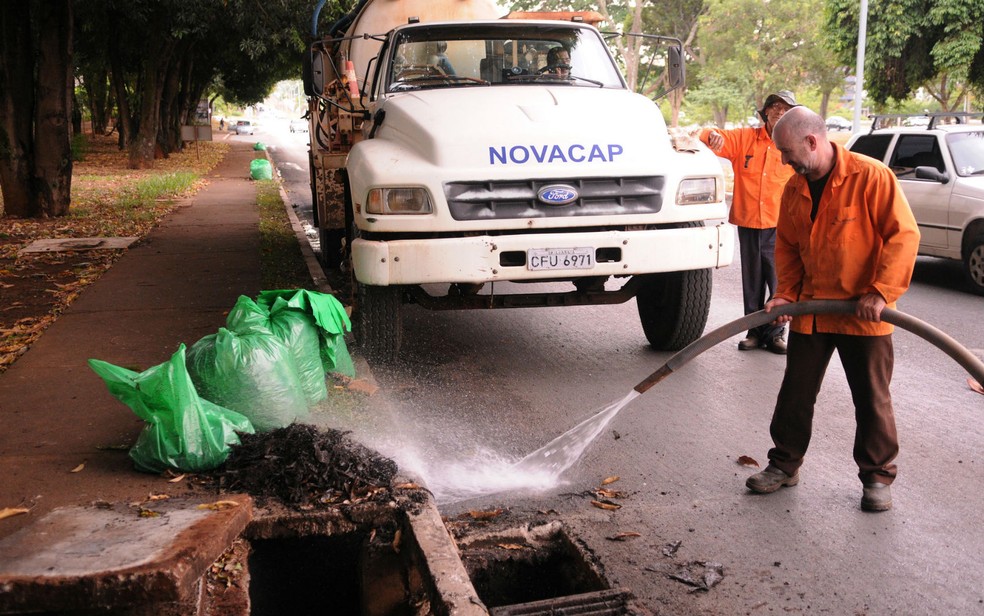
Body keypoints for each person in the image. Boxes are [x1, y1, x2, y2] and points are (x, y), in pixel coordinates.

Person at [745, 106, 920, 512]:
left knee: (872, 399)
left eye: (788, 152)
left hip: (865, 312)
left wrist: (880, 291)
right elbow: (786, 246)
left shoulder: (871, 177)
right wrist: (786, 293)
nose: (785, 162)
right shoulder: (794, 188)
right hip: (813, 308)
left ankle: (877, 477)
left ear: (812, 141)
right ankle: (784, 464)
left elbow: (903, 236)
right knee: (796, 392)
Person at [698, 91, 800, 354]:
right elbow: (706, 135)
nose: (780, 111)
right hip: (749, 223)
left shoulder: (792, 144)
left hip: (780, 226)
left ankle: (776, 333)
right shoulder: (745, 138)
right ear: (765, 111)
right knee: (752, 282)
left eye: (786, 108)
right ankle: (754, 332)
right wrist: (711, 135)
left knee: (778, 283)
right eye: (775, 106)